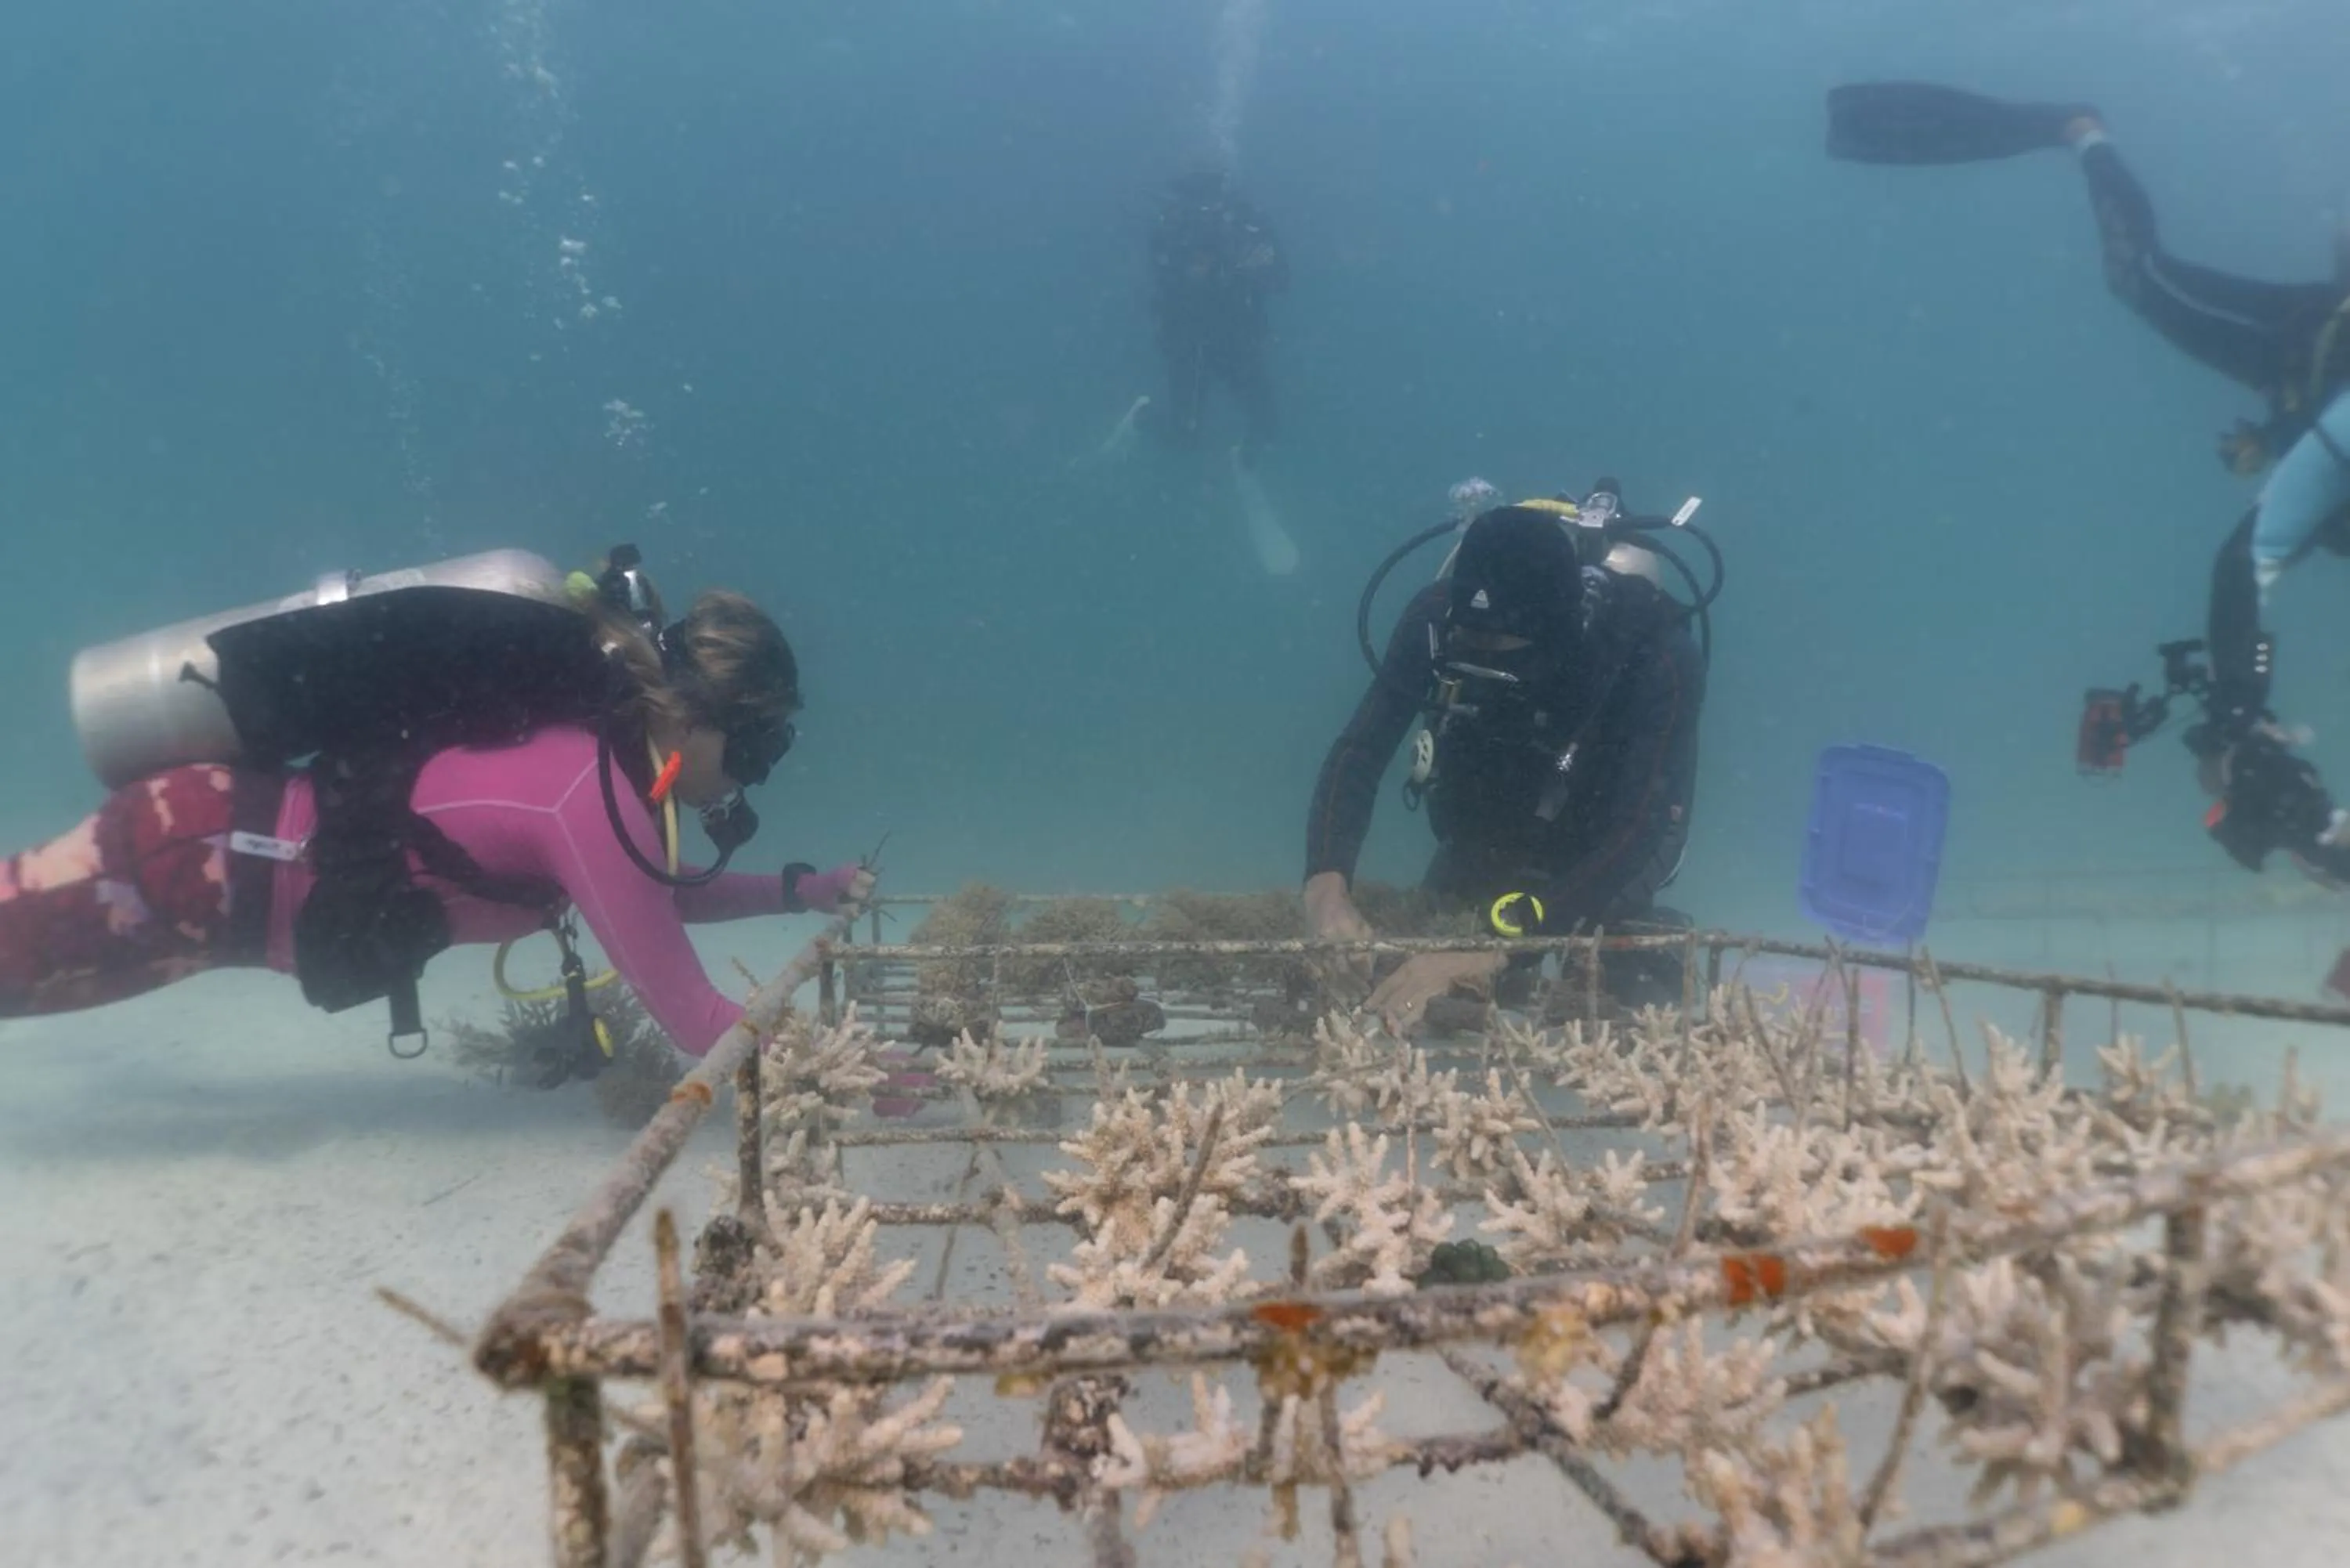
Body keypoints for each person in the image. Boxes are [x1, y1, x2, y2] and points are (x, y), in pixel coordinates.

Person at [2, 550, 874, 1080]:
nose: (748, 781)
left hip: (210, 861)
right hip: (204, 859)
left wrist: (802, 890)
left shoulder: (602, 786)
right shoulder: (592, 793)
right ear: (694, 714)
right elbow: (694, 1018)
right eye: (752, 751)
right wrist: (863, 1069)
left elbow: (659, 896)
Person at [1828, 82, 2350, 880]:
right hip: (2303, 349)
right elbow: (2250, 560)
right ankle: (2079, 131)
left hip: (2314, 409)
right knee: (2140, 277)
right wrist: (2242, 723)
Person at [1301, 488, 1710, 1032]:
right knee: (1429, 954)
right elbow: (1361, 750)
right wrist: (1326, 883)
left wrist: (1496, 949)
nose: (1480, 666)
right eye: (1468, 646)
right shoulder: (1436, 618)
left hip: (1607, 835)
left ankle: (1633, 949)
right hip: (1489, 823)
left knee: (1619, 996)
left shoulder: (1654, 657)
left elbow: (1638, 827)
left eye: (1502, 654)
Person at [1136, 169, 1289, 468]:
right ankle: (1141, 418)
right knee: (1184, 436)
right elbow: (1165, 281)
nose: (1211, 209)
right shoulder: (1175, 227)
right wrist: (1193, 273)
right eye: (1202, 200)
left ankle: (1242, 462)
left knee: (1268, 424)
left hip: (1239, 339)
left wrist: (1258, 269)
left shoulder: (1251, 224)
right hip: (1189, 342)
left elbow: (1282, 280)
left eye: (1216, 198)